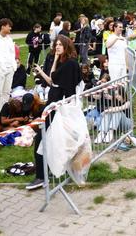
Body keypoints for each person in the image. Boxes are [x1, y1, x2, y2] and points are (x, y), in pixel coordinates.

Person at [29, 35, 81, 190]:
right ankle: (49, 171)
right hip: (53, 105)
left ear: (67, 46)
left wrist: (61, 108)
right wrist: (53, 62)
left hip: (57, 107)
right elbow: (53, 81)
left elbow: (56, 79)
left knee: (41, 138)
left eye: (60, 45)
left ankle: (41, 176)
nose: (57, 47)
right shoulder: (64, 62)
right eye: (56, 45)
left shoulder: (69, 64)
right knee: (48, 138)